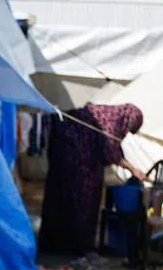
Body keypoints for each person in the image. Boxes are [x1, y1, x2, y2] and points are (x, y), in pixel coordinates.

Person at [38, 103, 146, 255]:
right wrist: (133, 169)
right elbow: (111, 151)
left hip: (62, 152)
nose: (126, 132)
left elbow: (111, 145)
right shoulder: (111, 120)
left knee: (60, 196)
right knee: (82, 200)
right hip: (79, 162)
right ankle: (76, 245)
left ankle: (56, 243)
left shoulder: (107, 113)